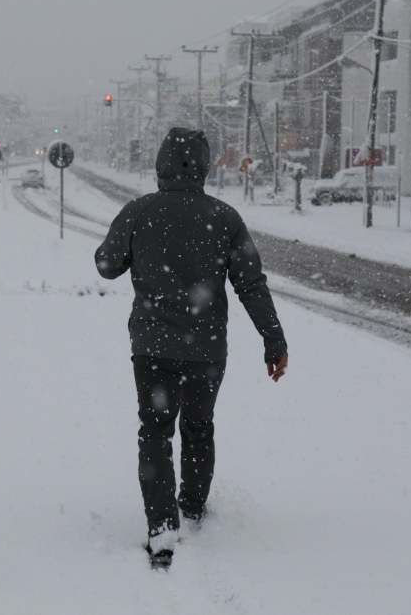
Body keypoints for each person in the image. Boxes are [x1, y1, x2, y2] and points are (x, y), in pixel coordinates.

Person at [94, 127, 288, 569]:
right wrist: (273, 340)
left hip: (152, 347)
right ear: (204, 166)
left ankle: (162, 527)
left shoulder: (139, 211)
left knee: (155, 432)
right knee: (199, 427)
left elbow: (107, 265)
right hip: (206, 349)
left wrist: (136, 250)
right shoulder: (224, 217)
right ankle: (194, 507)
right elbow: (250, 284)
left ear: (160, 163)